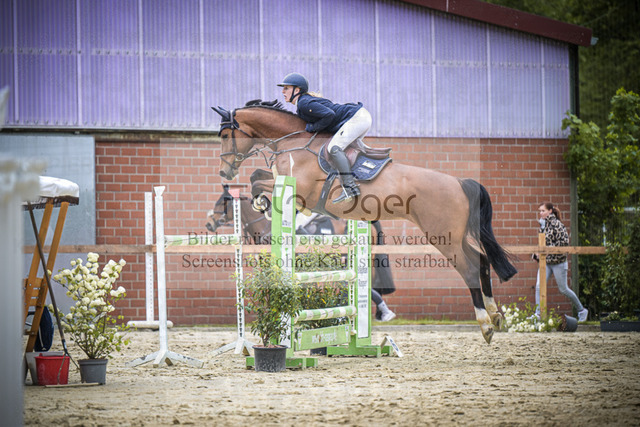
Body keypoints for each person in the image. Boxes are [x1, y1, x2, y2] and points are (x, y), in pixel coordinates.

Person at [277, 72, 371, 203]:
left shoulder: (303, 103)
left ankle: (350, 188)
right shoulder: (303, 103)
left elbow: (329, 115)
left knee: (334, 147)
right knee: (345, 151)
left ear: (297, 90)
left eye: (286, 88)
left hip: (356, 118)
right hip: (359, 117)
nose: (283, 91)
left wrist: (312, 127)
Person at [532, 202, 588, 322]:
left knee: (563, 289)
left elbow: (563, 243)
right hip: (546, 263)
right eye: (539, 211)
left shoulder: (557, 224)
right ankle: (538, 315)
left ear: (550, 211)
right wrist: (537, 253)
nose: (540, 213)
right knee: (538, 286)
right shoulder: (543, 225)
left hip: (559, 262)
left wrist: (549, 251)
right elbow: (543, 244)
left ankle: (582, 310)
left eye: (543, 210)